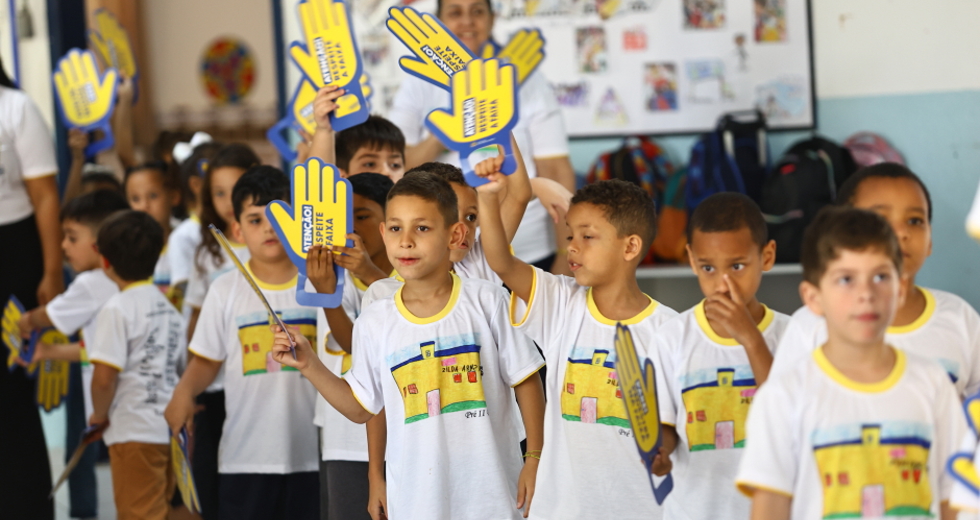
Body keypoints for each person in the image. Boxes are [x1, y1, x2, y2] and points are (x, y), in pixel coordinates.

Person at [271, 172, 546, 519]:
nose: (406, 241)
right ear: (384, 234)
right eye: (397, 229)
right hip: (416, 500)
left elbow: (527, 379)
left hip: (493, 495)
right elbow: (360, 407)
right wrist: (308, 362)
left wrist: (535, 457)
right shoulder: (376, 320)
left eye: (423, 228)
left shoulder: (488, 300)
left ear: (455, 235)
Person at [735, 206, 965, 520]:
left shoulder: (934, 383)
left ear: (899, 291)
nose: (866, 293)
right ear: (813, 298)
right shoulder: (783, 396)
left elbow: (952, 499)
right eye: (846, 279)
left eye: (881, 276)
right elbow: (770, 509)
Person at [477, 177, 676, 519]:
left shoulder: (670, 330)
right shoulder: (561, 303)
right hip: (562, 509)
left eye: (588, 236)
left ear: (630, 248)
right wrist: (487, 195)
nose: (572, 246)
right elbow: (500, 261)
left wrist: (664, 451)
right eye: (570, 235)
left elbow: (671, 425)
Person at [165, 166, 320, 520]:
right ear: (236, 229)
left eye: (280, 216)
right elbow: (206, 362)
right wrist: (183, 392)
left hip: (312, 454)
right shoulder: (224, 290)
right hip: (244, 457)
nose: (269, 227)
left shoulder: (320, 286)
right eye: (254, 219)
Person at [388, 0, 576, 274]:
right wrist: (457, 121)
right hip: (443, 253)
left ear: (491, 20)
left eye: (477, 11)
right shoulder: (418, 83)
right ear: (438, 20)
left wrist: (565, 252)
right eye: (455, 12)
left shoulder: (523, 78)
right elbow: (395, 167)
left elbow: (556, 169)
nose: (467, 21)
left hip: (530, 248)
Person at [771, 164, 980, 399]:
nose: (901, 232)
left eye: (914, 221)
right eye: (880, 220)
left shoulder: (960, 318)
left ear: (930, 240)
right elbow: (783, 409)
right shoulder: (810, 325)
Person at [653, 192, 789, 520]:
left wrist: (751, 340)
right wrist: (662, 451)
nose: (722, 284)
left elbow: (789, 416)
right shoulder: (672, 336)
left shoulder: (792, 335)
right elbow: (668, 422)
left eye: (738, 266)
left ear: (767, 257)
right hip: (693, 509)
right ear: (690, 259)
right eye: (708, 267)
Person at [14, 189, 129, 519]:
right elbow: (97, 351)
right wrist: (47, 351)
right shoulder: (131, 283)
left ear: (100, 243)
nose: (62, 246)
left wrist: (25, 320)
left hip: (119, 416)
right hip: (141, 417)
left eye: (70, 237)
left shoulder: (91, 283)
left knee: (136, 503)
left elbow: (47, 315)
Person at [88, 210, 185, 520]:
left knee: (139, 514)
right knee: (160, 510)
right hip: (167, 432)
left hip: (132, 431)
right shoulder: (167, 308)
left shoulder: (116, 308)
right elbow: (179, 367)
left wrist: (99, 415)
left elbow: (104, 379)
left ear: (105, 261)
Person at [0, 57, 63, 520]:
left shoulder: (17, 107)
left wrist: (52, 270)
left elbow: (44, 196)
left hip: (13, 254)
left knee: (11, 392)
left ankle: (24, 507)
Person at [123, 161, 182, 307]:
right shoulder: (125, 249)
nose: (144, 206)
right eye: (135, 199)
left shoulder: (185, 243)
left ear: (174, 196)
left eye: (153, 195)